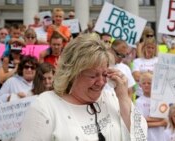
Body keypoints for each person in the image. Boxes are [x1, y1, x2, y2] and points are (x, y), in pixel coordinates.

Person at [15, 34, 147, 141]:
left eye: (104, 74)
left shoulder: (113, 98)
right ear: (71, 74)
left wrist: (123, 97)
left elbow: (141, 136)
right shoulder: (45, 106)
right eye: (93, 76)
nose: (101, 82)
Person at [136, 72, 167, 141]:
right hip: (147, 136)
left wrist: (147, 119)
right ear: (140, 85)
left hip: (160, 136)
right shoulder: (138, 102)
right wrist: (160, 122)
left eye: (149, 83)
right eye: (144, 83)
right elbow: (140, 122)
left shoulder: (160, 100)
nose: (146, 85)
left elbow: (166, 119)